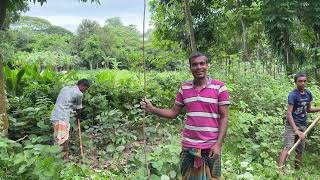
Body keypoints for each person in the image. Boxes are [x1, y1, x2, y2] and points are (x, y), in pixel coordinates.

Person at [141, 52, 230, 179]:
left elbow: (224, 117)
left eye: (202, 63)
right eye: (194, 65)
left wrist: (218, 145)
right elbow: (173, 113)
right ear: (190, 68)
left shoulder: (220, 88)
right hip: (189, 148)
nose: (199, 67)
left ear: (207, 66)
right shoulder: (184, 89)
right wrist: (152, 109)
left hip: (211, 148)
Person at [277, 73, 320, 169]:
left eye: (304, 81)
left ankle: (297, 170)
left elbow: (308, 109)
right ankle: (279, 170)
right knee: (288, 147)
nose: (303, 83)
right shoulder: (293, 95)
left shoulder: (308, 94)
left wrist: (319, 109)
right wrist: (296, 130)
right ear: (296, 82)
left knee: (300, 149)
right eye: (300, 81)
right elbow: (289, 114)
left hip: (303, 125)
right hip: (291, 125)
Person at [50, 79, 90, 159]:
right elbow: (79, 108)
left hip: (55, 115)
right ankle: (63, 159)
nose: (85, 91)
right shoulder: (79, 94)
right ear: (82, 85)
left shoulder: (65, 88)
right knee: (62, 138)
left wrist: (72, 109)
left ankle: (59, 158)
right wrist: (78, 117)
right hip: (62, 117)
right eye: (85, 89)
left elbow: (67, 102)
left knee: (58, 137)